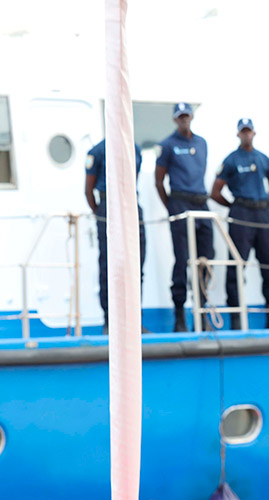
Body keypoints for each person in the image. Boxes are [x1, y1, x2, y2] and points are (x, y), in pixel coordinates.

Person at [210, 118, 269, 330]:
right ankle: (235, 315)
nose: (246, 134)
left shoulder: (263, 159)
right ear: (238, 134)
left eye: (249, 131)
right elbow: (215, 192)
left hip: (263, 213)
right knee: (236, 264)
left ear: (254, 133)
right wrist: (235, 205)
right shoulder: (231, 160)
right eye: (243, 131)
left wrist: (265, 202)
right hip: (242, 213)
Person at [155, 102, 215, 332]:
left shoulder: (201, 143)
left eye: (187, 116)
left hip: (201, 202)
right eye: (180, 116)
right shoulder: (167, 145)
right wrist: (171, 206)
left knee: (206, 259)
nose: (184, 120)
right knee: (182, 260)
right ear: (174, 119)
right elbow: (159, 181)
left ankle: (202, 314)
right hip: (180, 202)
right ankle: (180, 316)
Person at [84, 139, 146, 334]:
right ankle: (109, 321)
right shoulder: (98, 151)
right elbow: (88, 190)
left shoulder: (134, 148)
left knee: (136, 266)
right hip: (107, 206)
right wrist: (101, 212)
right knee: (108, 267)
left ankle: (134, 321)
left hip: (131, 206)